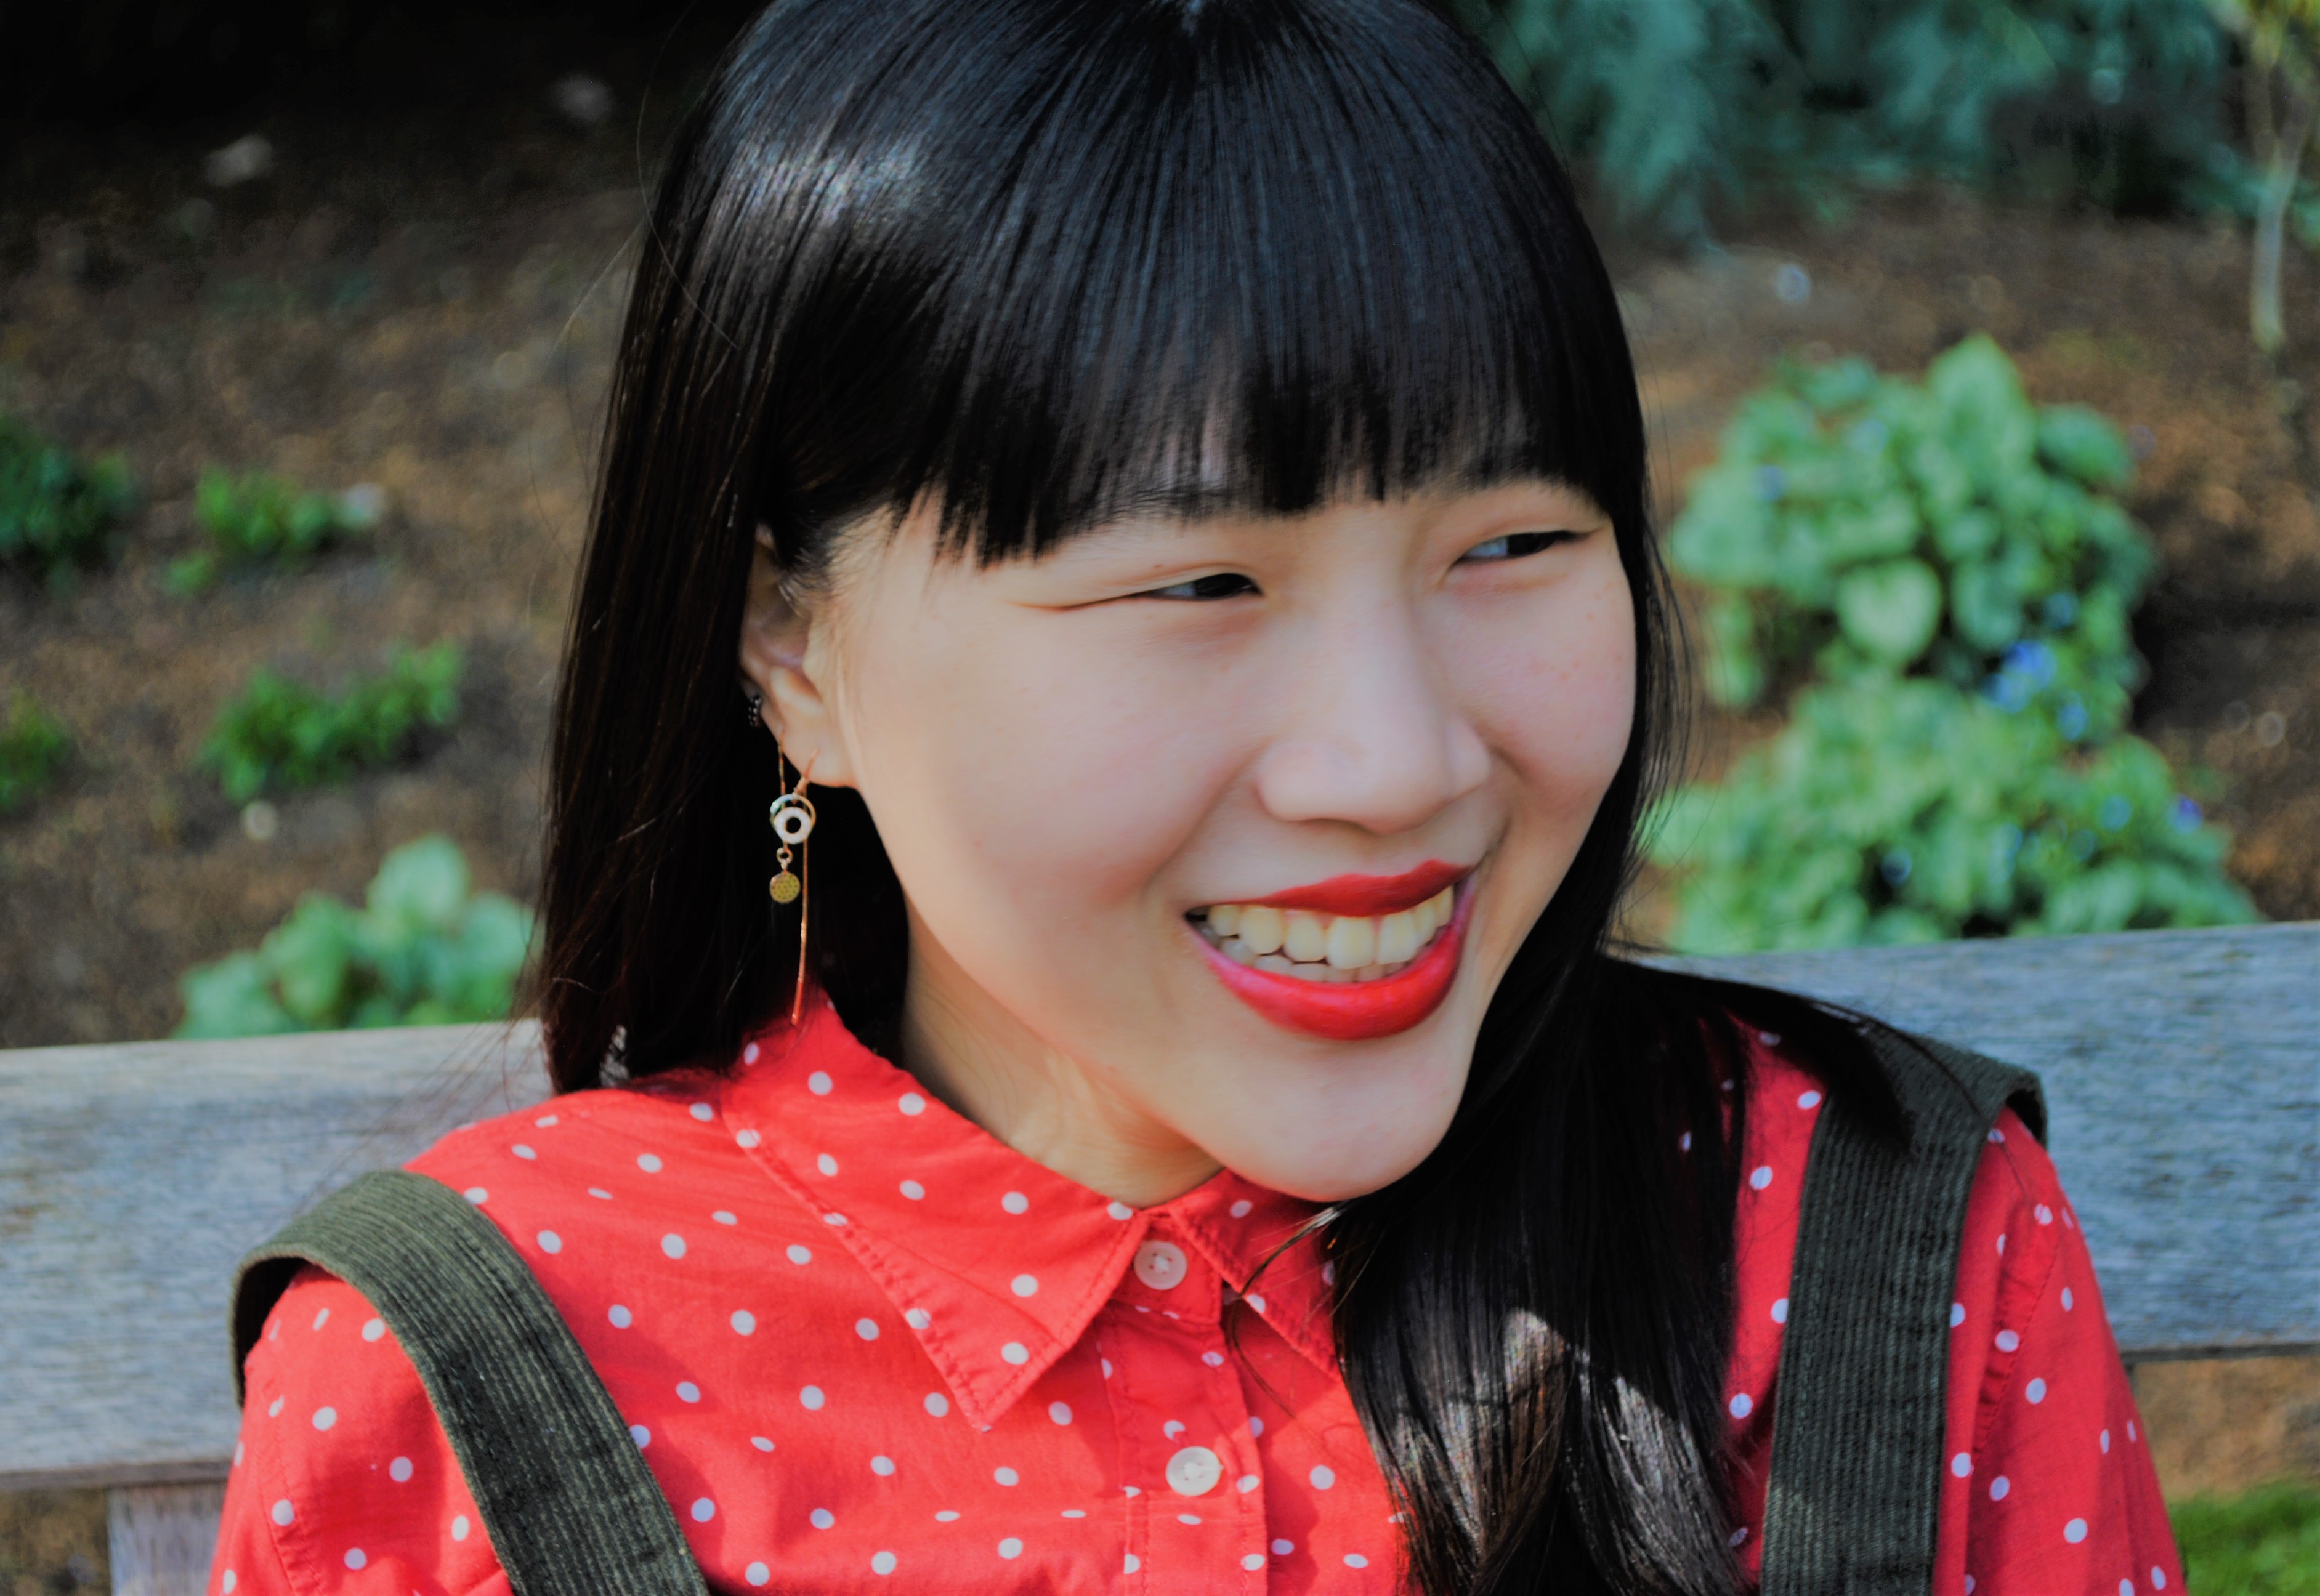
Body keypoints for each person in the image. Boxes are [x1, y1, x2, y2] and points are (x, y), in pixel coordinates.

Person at [208, 1, 2181, 1591]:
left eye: (1510, 546)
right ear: (795, 649)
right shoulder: (479, 1394)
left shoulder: (1862, 1252)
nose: (1399, 763)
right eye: (1202, 587)